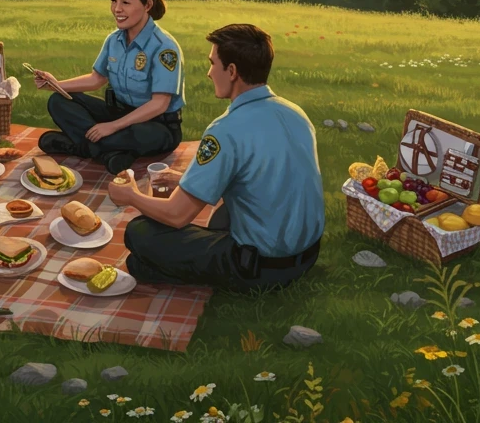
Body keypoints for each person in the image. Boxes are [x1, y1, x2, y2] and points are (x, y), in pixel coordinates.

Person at [109, 23, 324, 292]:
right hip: (308, 254)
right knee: (221, 213)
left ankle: (179, 271)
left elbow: (178, 216)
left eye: (213, 63)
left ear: (232, 71)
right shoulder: (296, 114)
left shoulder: (225, 129)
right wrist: (185, 180)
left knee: (139, 232)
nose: (209, 72)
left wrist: (130, 196)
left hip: (260, 267)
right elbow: (263, 175)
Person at [33, 0, 185, 175]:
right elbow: (97, 79)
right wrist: (55, 84)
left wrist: (112, 126)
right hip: (119, 113)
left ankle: (79, 147)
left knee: (136, 135)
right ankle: (109, 153)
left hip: (156, 126)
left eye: (126, 2)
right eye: (113, 0)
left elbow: (160, 104)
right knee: (57, 100)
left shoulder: (164, 47)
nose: (117, 9)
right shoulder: (114, 40)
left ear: (147, 4)